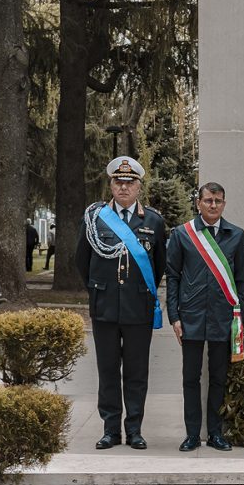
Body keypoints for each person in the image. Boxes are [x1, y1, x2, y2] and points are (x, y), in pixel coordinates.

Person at [74, 157, 167, 451]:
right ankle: (111, 430)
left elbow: (159, 264)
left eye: (129, 183)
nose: (124, 187)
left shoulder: (153, 220)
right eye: (118, 182)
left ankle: (135, 429)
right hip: (105, 307)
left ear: (139, 187)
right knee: (108, 370)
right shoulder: (95, 218)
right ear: (111, 185)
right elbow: (82, 261)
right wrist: (98, 290)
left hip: (138, 308)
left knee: (137, 373)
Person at [166, 183, 244, 452]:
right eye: (209, 200)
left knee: (218, 377)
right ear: (199, 203)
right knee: (190, 377)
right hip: (190, 317)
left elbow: (240, 282)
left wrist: (240, 321)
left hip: (223, 317)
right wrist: (174, 316)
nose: (214, 205)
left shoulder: (236, 235)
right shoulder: (182, 234)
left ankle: (215, 433)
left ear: (224, 204)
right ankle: (192, 434)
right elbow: (173, 278)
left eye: (219, 201)